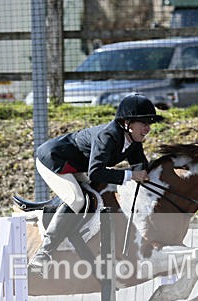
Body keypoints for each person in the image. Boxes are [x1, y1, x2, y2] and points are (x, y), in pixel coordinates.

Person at [28, 93, 164, 275]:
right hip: (54, 160)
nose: (147, 128)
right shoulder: (107, 136)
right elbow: (96, 173)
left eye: (149, 124)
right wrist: (131, 175)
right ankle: (43, 253)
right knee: (77, 200)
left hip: (76, 164)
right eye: (143, 123)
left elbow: (142, 170)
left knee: (95, 197)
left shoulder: (133, 142)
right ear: (126, 123)